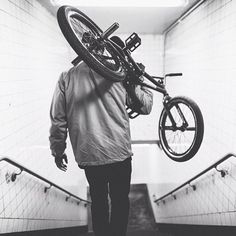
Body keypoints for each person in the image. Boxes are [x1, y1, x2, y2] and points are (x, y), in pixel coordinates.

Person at [49, 36, 153, 236]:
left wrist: (58, 150)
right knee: (121, 201)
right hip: (119, 154)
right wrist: (140, 80)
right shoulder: (119, 74)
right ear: (104, 48)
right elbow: (145, 106)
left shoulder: (66, 77)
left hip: (90, 155)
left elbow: (58, 119)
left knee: (98, 201)